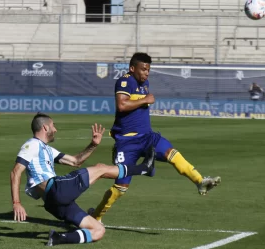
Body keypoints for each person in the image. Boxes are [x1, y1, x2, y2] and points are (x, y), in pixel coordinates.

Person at [89, 52, 221, 223]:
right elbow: (122, 105)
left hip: (148, 137)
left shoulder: (145, 84)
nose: (146, 73)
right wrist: (145, 100)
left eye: (148, 70)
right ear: (132, 68)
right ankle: (96, 217)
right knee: (121, 187)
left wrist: (145, 99)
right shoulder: (125, 81)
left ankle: (199, 181)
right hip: (127, 142)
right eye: (143, 69)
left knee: (172, 153)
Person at [10, 113, 155, 246]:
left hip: (53, 202)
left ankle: (58, 238)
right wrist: (16, 202)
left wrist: (93, 145)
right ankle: (143, 169)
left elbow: (75, 161)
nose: (55, 129)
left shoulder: (47, 149)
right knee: (100, 168)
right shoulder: (32, 145)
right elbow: (16, 171)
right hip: (56, 189)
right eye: (53, 125)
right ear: (45, 127)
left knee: (98, 230)